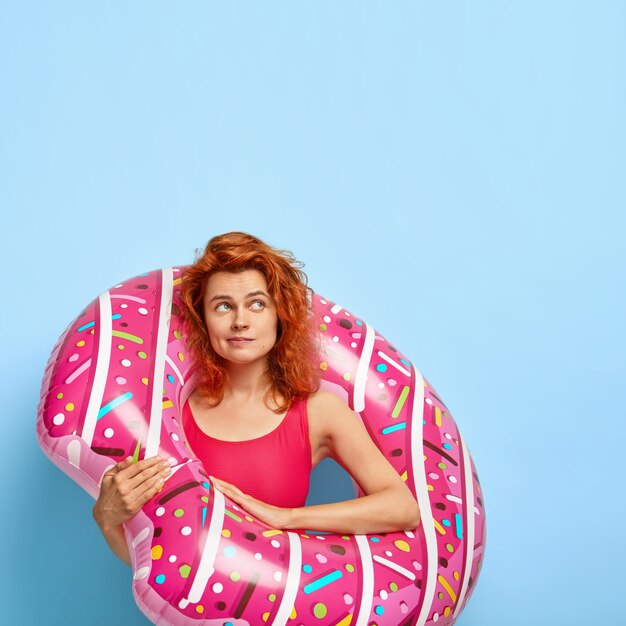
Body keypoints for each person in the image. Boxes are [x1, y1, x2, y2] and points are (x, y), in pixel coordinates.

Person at [93, 232, 420, 566]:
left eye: (257, 304)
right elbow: (156, 563)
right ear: (203, 320)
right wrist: (107, 521)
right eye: (223, 306)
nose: (240, 321)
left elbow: (402, 508)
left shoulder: (320, 411)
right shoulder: (172, 416)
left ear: (279, 314)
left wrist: (285, 518)